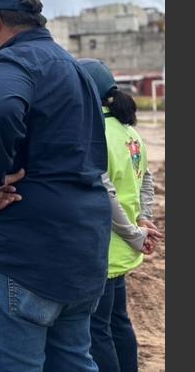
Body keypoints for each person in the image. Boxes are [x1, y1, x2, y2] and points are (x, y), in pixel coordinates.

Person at [0, 0, 112, 371]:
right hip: (79, 254)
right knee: (73, 361)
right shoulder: (73, 70)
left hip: (19, 258)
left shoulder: (11, 62)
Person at [79, 59, 163, 372]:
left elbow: (105, 191)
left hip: (104, 248)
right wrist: (144, 218)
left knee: (97, 330)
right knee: (119, 323)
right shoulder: (128, 131)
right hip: (123, 249)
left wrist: (133, 231)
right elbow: (147, 178)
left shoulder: (95, 132)